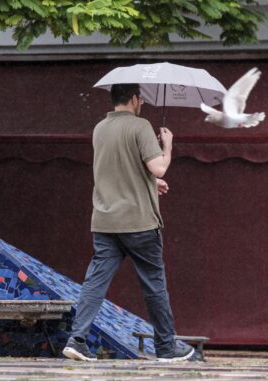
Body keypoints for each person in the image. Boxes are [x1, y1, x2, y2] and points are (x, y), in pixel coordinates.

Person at [62, 83, 194, 362]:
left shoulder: (100, 129)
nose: (142, 103)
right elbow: (158, 166)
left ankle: (77, 339)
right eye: (141, 99)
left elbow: (116, 170)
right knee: (154, 284)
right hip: (139, 222)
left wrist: (149, 183)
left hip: (105, 221)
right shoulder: (140, 126)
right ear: (134, 99)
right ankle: (167, 348)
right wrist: (167, 146)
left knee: (95, 281)